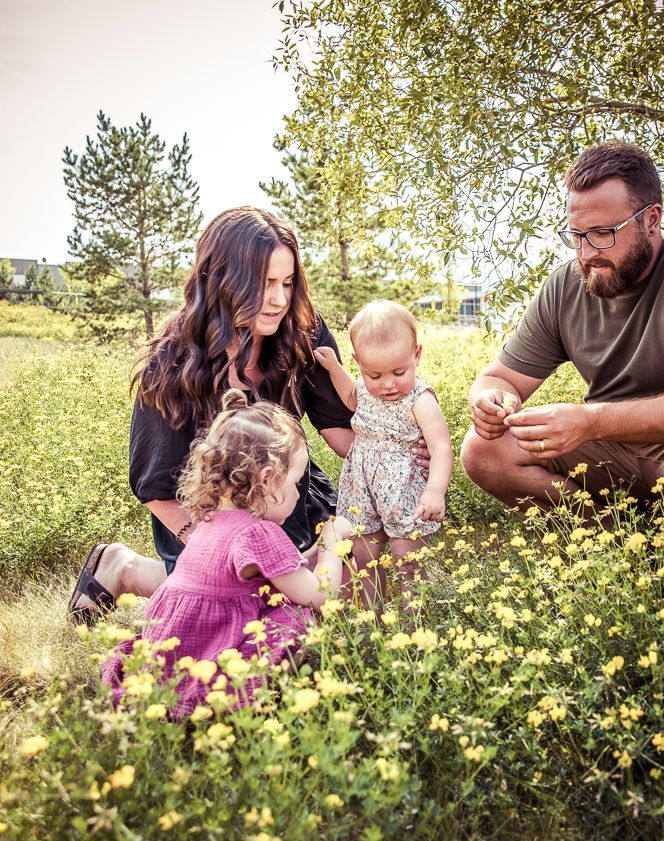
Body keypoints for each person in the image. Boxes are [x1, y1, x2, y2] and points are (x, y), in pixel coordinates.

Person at [68, 207, 422, 622]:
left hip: (290, 496)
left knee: (359, 566)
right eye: (264, 283)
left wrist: (407, 455)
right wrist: (221, 552)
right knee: (251, 598)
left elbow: (339, 426)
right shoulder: (172, 359)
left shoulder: (302, 332)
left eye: (287, 283)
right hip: (208, 515)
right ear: (222, 280)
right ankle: (123, 568)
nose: (278, 299)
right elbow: (156, 485)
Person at [461, 141, 664, 518]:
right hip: (611, 443)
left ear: (651, 220)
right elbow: (500, 378)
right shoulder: (566, 284)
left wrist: (592, 421)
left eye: (603, 233)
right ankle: (614, 543)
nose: (586, 252)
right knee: (484, 450)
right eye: (577, 235)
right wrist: (491, 399)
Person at [101, 389, 345, 716]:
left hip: (176, 640)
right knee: (296, 616)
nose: (300, 492)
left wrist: (315, 553)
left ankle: (170, 688)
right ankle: (246, 699)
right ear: (269, 480)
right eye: (297, 483)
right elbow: (319, 595)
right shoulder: (259, 532)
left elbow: (289, 570)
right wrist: (332, 540)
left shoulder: (211, 519)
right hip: (210, 645)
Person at [314, 300, 453, 613]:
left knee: (407, 557)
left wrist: (435, 490)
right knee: (364, 555)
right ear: (359, 364)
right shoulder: (365, 387)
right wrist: (335, 368)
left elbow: (441, 446)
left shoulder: (420, 398)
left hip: (404, 489)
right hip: (362, 486)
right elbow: (351, 396)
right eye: (374, 374)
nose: (388, 384)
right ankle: (372, 616)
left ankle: (413, 616)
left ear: (416, 355)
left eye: (399, 372)